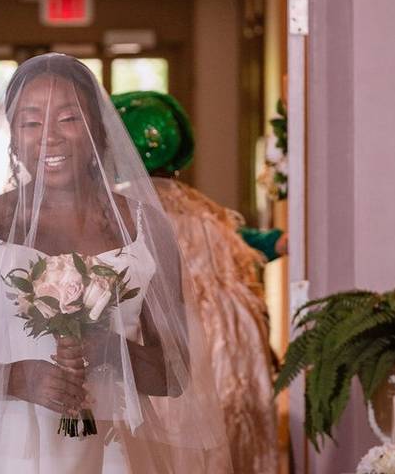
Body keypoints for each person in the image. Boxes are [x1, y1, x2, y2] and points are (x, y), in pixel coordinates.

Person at [0, 54, 231, 473]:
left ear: (97, 132)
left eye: (69, 119)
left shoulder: (146, 228)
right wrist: (16, 377)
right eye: (30, 122)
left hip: (112, 447)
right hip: (1, 448)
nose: (49, 137)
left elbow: (173, 376)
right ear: (13, 138)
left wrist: (107, 347)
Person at [112, 90, 278, 474]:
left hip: (166, 335)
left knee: (164, 439)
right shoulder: (204, 211)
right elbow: (241, 251)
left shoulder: (120, 211)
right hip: (227, 342)